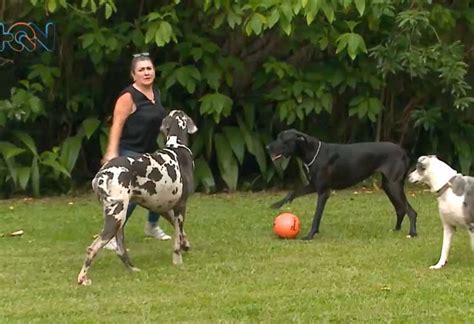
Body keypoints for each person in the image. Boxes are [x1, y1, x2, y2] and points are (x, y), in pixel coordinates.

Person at [102, 52, 171, 250]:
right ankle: (112, 235)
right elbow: (117, 125)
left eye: (149, 68)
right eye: (141, 70)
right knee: (130, 195)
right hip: (129, 151)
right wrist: (112, 152)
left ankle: (152, 226)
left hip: (149, 151)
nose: (146, 72)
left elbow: (158, 122)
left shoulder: (155, 93)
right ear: (134, 75)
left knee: (162, 187)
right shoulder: (128, 96)